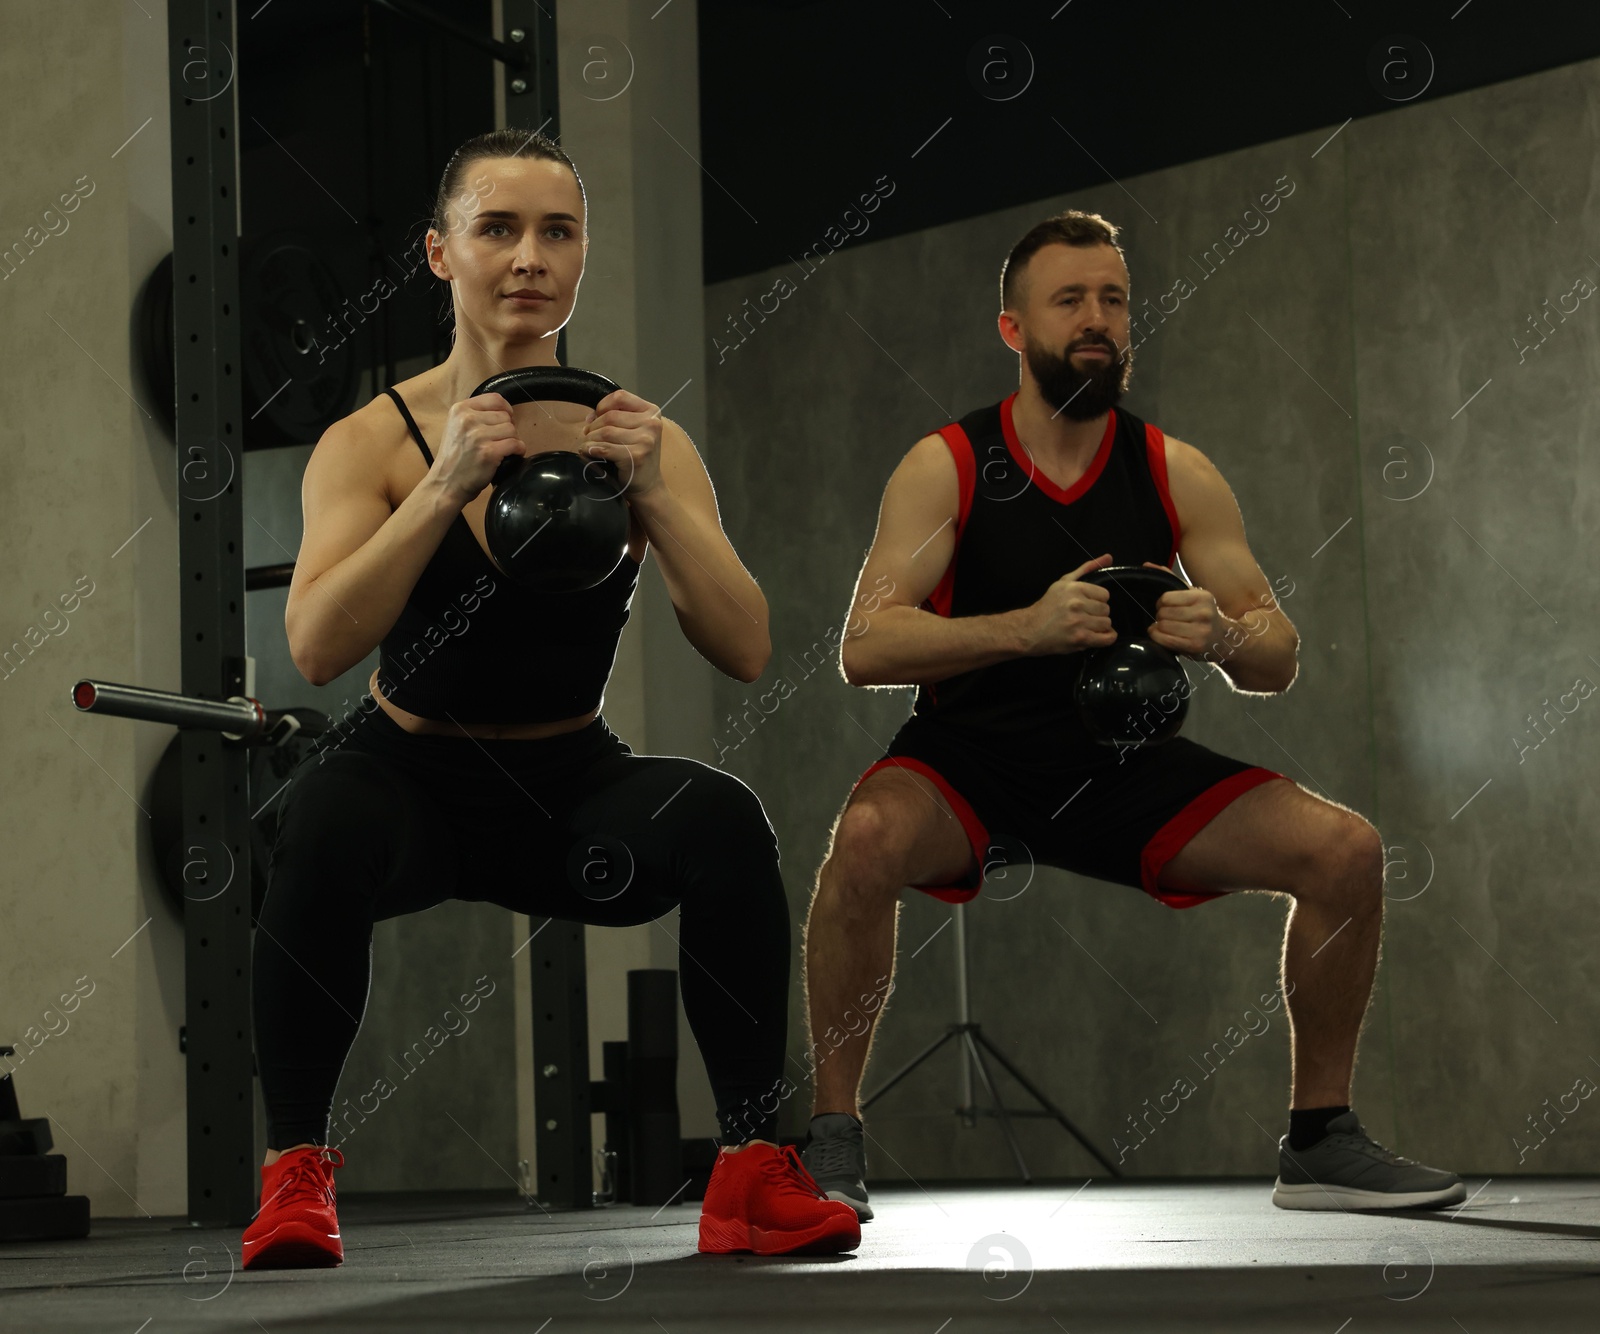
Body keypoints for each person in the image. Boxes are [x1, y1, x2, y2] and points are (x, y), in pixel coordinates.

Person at [240, 128, 859, 1268]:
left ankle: (747, 1172)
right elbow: (318, 645)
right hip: (407, 779)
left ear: (580, 257)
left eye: (557, 231)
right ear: (439, 253)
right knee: (319, 815)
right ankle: (293, 1177)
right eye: (498, 229)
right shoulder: (373, 439)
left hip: (565, 791)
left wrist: (658, 498)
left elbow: (747, 644)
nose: (529, 256)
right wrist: (439, 487)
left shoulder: (640, 437)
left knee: (722, 820)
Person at [799, 210, 1464, 1218]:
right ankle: (832, 1140)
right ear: (1013, 329)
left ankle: (1320, 1140)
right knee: (864, 840)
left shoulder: (1171, 468)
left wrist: (1224, 636)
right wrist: (1023, 628)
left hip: (1125, 767)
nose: (1097, 318)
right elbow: (864, 645)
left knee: (1345, 851)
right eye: (1069, 300)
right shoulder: (945, 465)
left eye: (1112, 299)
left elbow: (1276, 653)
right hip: (969, 759)